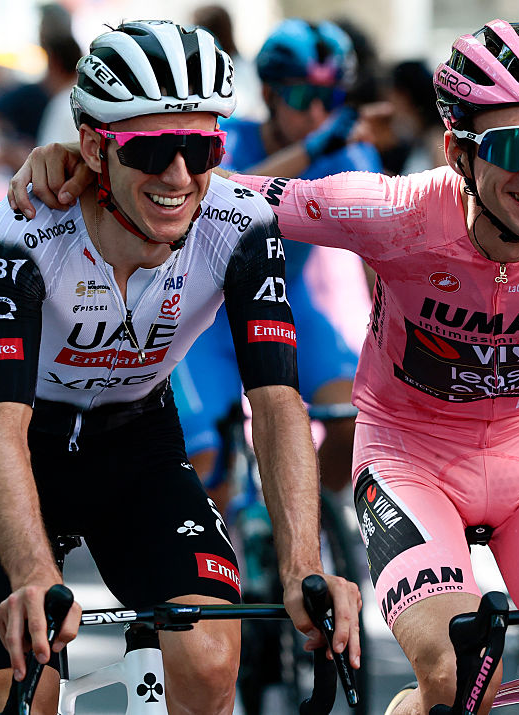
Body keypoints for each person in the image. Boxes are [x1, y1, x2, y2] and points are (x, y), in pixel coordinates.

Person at [9, 19, 519, 715]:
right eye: (509, 146)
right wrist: (86, 162)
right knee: (459, 673)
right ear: (457, 152)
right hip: (410, 459)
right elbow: (208, 189)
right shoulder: (396, 213)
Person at [0, 20, 359, 714]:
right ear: (94, 149)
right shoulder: (25, 227)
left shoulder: (242, 225)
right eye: (152, 149)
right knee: (23, 688)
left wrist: (303, 567)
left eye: (200, 148)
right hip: (18, 448)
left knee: (208, 658)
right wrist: (33, 574)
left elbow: (278, 402)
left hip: (137, 446)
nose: (178, 176)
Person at [171, 18, 378, 491]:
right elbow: (215, 195)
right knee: (210, 467)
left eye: (332, 98)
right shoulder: (229, 140)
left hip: (288, 305)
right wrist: (310, 150)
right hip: (208, 319)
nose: (319, 113)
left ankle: (308, 517)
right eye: (304, 97)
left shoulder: (346, 152)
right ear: (268, 95)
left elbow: (379, 255)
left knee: (353, 420)